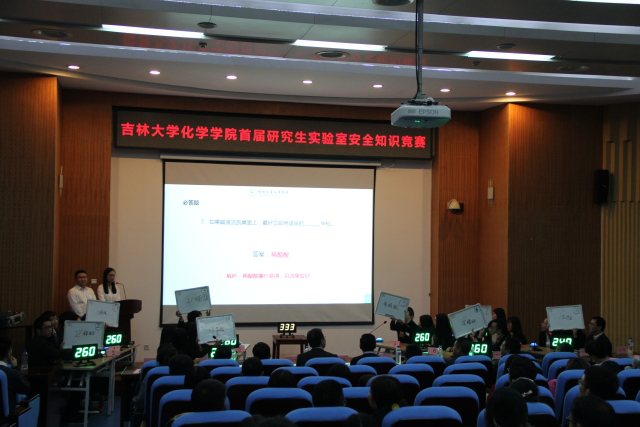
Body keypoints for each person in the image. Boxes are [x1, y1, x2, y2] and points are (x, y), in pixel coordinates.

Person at [0, 337, 30, 414]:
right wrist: (16, 368)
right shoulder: (11, 373)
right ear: (9, 352)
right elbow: (26, 388)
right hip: (8, 416)